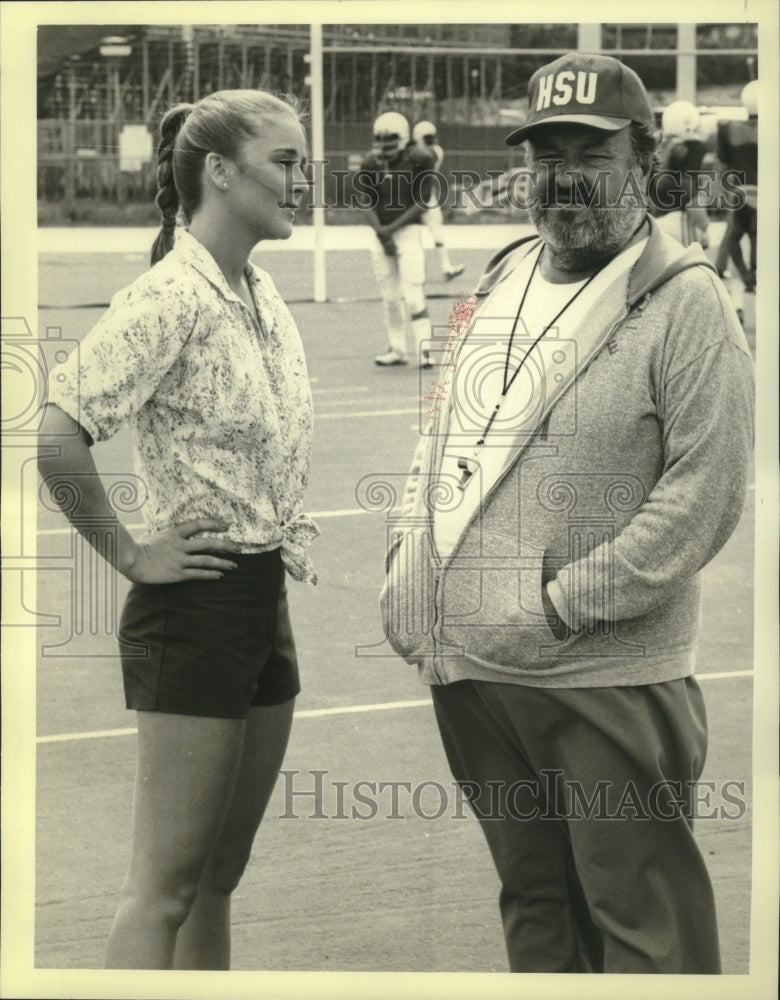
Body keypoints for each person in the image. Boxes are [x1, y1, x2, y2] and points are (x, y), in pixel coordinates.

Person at [380, 52, 754, 974]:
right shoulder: (504, 273)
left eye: (589, 149)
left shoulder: (686, 299)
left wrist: (562, 603)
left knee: (642, 923)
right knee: (538, 910)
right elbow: (442, 437)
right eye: (545, 152)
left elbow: (705, 495)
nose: (562, 174)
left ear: (645, 158)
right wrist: (405, 560)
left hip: (605, 675)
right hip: (471, 672)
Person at [37, 89, 317, 970]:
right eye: (285, 161)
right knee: (162, 888)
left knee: (216, 877)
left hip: (260, 597)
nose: (303, 180)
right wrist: (128, 552)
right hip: (192, 609)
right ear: (222, 172)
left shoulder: (259, 291)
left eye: (303, 162)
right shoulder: (169, 297)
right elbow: (58, 434)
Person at [356, 111, 437, 367]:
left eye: (390, 138)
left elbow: (422, 202)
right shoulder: (371, 163)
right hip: (381, 234)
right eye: (381, 138)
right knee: (390, 298)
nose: (385, 144)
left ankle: (425, 351)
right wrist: (381, 231)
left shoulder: (419, 159)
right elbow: (364, 200)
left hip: (408, 232)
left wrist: (388, 231)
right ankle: (397, 348)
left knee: (412, 294)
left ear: (402, 138)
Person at [714, 80, 758, 323]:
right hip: (767, 197)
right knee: (756, 238)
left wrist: (722, 193)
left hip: (741, 194)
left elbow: (723, 167)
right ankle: (751, 275)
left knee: (733, 239)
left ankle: (744, 277)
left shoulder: (729, 129)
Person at [411, 119, 466, 281]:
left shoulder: (435, 152)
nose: (430, 140)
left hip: (427, 196)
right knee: (413, 235)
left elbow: (424, 158)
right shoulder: (413, 151)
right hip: (410, 197)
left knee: (437, 231)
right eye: (426, 137)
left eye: (430, 137)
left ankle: (446, 268)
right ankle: (417, 272)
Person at [651, 100, 710, 248]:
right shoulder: (691, 147)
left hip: (657, 216)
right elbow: (687, 186)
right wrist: (703, 223)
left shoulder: (661, 144)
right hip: (680, 217)